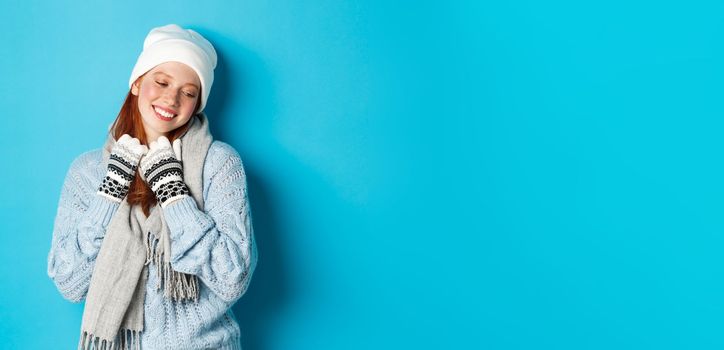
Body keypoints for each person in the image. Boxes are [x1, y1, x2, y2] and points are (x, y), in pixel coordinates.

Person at [47, 24, 258, 350]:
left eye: (189, 92)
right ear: (136, 83)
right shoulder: (88, 171)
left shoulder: (218, 163)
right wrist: (108, 195)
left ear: (196, 105)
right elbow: (69, 283)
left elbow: (233, 279)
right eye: (161, 82)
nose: (171, 98)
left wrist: (175, 193)